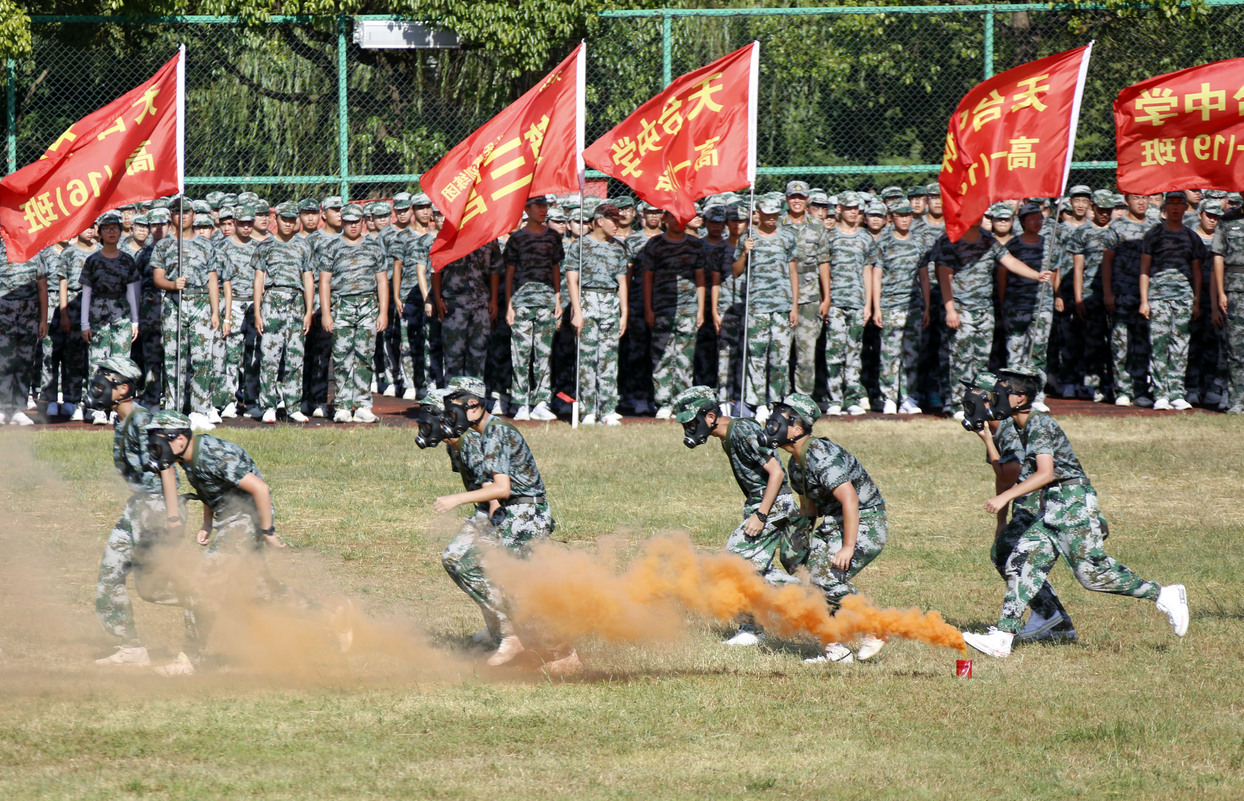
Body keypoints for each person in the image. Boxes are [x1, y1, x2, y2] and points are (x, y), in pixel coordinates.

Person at [961, 369, 1189, 658]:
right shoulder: (1020, 426)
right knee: (1021, 562)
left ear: (1019, 398)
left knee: (1092, 575)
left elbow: (1045, 473)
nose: (995, 399)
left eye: (1001, 393)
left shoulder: (1039, 423)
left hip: (1073, 503)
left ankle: (1165, 594)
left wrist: (1005, 497)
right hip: (1054, 505)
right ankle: (1003, 638)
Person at [143, 410, 352, 675]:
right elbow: (210, 488)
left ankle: (189, 660)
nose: (154, 448)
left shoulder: (215, 455)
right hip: (231, 519)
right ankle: (333, 619)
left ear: (180, 439)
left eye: (159, 441)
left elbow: (260, 489)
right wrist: (208, 523)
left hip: (245, 519)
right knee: (261, 591)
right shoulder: (185, 457)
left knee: (205, 582)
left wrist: (268, 532)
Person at [434, 377, 575, 672]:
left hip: (526, 515)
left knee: (520, 588)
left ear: (473, 406)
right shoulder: (485, 433)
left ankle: (564, 655)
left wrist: (455, 499)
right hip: (513, 514)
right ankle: (514, 636)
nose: (449, 416)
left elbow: (502, 488)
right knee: (465, 563)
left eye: (453, 410)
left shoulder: (495, 432)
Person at [673, 386, 807, 645]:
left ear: (709, 418)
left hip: (773, 506)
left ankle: (755, 626)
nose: (689, 428)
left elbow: (777, 474)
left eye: (691, 422)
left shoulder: (742, 431)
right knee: (756, 571)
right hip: (762, 505)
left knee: (731, 564)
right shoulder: (727, 436)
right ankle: (803, 597)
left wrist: (760, 514)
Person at [760, 392, 887, 664]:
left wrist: (848, 547)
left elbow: (850, 499)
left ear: (797, 428)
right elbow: (809, 509)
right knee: (809, 577)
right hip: (834, 523)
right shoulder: (796, 464)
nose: (772, 423)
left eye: (781, 418)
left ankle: (873, 628)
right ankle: (835, 649)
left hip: (865, 521)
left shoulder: (821, 454)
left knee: (825, 580)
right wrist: (795, 545)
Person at [88, 356, 195, 667]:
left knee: (156, 588)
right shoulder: (120, 419)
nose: (98, 385)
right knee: (109, 578)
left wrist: (173, 517)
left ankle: (217, 605)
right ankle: (131, 648)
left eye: (106, 380)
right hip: (137, 507)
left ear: (123, 388)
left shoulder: (142, 420)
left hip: (159, 509)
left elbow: (167, 469)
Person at [961, 371, 1076, 643]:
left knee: (1015, 559)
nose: (973, 398)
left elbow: (1007, 475)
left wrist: (987, 441)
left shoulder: (1010, 430)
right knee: (1006, 553)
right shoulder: (1003, 427)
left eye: (981, 393)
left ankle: (1047, 618)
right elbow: (1002, 480)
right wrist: (1001, 521)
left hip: (1040, 503)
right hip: (1026, 501)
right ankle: (1053, 619)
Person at [935, 219, 1053, 419]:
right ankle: (958, 403)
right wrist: (950, 309)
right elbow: (944, 275)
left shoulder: (989, 240)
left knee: (981, 360)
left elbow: (1010, 261)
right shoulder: (950, 242)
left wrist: (1036, 275)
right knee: (961, 359)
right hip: (962, 308)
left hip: (984, 310)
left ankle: (977, 402)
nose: (978, 217)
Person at [416, 383, 500, 645]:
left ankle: (508, 629)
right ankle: (497, 625)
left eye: (430, 411)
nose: (424, 419)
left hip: (502, 513)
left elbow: (495, 492)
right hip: (485, 510)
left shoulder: (471, 442)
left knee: (477, 565)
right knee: (455, 560)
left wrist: (494, 537)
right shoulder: (453, 442)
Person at [151, 203, 219, 428]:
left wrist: (216, 312)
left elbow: (213, 280)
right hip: (174, 304)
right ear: (171, 215)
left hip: (200, 302)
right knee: (173, 358)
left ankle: (200, 410)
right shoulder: (164, 245)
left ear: (194, 215)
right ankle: (174, 409)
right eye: (177, 212)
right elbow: (157, 277)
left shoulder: (206, 245)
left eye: (186, 212)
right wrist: (172, 284)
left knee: (202, 357)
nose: (182, 216)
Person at [320, 203, 389, 423]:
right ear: (343, 223)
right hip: (342, 306)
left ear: (362, 222)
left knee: (364, 356)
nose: (352, 226)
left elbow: (381, 280)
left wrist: (383, 312)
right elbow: (324, 281)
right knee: (341, 357)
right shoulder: (332, 247)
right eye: (348, 222)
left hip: (368, 306)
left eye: (356, 222)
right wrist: (326, 313)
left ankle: (362, 404)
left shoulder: (374, 247)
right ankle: (341, 404)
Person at [733, 195, 799, 418]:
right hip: (757, 306)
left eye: (774, 215)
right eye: (767, 215)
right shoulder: (749, 237)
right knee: (757, 355)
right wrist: (744, 252)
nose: (771, 219)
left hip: (781, 305)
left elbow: (793, 271)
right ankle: (758, 402)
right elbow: (736, 271)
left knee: (780, 357)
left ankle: (777, 401)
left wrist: (794, 306)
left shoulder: (788, 238)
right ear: (758, 214)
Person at [638, 210, 707, 419]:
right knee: (662, 357)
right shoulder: (655, 245)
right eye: (674, 218)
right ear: (665, 219)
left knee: (685, 359)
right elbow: (647, 277)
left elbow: (700, 279)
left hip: (688, 309)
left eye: (682, 218)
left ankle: (684, 402)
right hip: (662, 309)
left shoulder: (695, 245)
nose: (679, 222)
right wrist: (648, 308)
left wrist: (700, 309)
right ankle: (664, 402)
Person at [565, 203, 629, 425]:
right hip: (587, 300)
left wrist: (624, 312)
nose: (617, 225)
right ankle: (587, 410)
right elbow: (572, 280)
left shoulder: (619, 248)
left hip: (610, 303)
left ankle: (608, 409)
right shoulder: (580, 246)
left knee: (609, 359)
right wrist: (577, 311)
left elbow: (622, 282)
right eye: (614, 221)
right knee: (587, 359)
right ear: (600, 221)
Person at [253, 202, 316, 423]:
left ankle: (292, 405)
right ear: (275, 219)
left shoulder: (304, 246)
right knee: (270, 356)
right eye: (284, 219)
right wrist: (258, 312)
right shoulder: (265, 246)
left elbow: (308, 278)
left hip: (296, 302)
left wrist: (309, 311)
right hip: (272, 300)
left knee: (295, 356)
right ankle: (268, 405)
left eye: (292, 219)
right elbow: (259, 279)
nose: (288, 223)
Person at [1139, 191, 1202, 411]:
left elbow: (1196, 271)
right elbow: (1144, 268)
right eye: (1171, 204)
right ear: (1164, 208)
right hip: (1158, 297)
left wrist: (1196, 301)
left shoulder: (1191, 236)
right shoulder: (1154, 235)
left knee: (1181, 345)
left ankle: (1176, 392)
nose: (1176, 208)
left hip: (1184, 297)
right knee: (1158, 344)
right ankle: (1160, 394)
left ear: (1186, 208)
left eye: (1180, 204)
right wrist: (1144, 300)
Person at [503, 196, 563, 421]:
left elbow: (556, 268)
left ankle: (540, 402)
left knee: (544, 355)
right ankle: (521, 403)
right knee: (520, 355)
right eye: (538, 206)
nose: (543, 210)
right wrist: (509, 305)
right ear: (526, 209)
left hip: (546, 303)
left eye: (545, 206)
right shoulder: (516, 239)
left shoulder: (553, 237)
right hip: (521, 304)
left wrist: (557, 299)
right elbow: (509, 272)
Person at [79, 212, 141, 425]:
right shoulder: (93, 260)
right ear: (100, 233)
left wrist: (135, 321)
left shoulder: (127, 260)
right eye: (107, 228)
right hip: (98, 314)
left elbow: (132, 292)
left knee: (121, 363)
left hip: (121, 315)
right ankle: (97, 408)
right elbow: (86, 292)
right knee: (97, 361)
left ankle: (117, 408)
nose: (112, 232)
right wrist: (84, 323)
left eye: (115, 228)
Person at [873, 201, 930, 415]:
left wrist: (926, 306)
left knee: (911, 354)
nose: (905, 218)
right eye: (900, 215)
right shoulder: (884, 242)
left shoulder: (919, 242)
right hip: (890, 305)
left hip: (913, 305)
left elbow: (923, 276)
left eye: (908, 215)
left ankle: (908, 397)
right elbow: (877, 275)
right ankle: (889, 397)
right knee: (889, 353)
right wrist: (876, 307)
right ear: (892, 217)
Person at [822, 192, 876, 416]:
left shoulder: (865, 238)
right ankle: (834, 399)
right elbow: (823, 268)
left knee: (854, 353)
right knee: (833, 352)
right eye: (849, 207)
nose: (854, 211)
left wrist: (868, 305)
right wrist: (826, 299)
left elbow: (868, 271)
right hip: (835, 302)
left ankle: (852, 398)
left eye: (857, 208)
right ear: (839, 210)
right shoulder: (829, 236)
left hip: (856, 302)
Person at [1101, 193, 1155, 407]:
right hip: (1122, 293)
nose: (1141, 202)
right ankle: (1122, 388)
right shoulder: (1117, 228)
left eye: (1145, 198)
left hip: (1147, 295)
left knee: (1142, 343)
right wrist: (1108, 292)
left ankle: (1140, 388)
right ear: (1127, 201)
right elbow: (1106, 262)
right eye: (1136, 198)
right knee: (1120, 343)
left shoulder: (1155, 228)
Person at [780, 181, 831, 399]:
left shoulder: (817, 226)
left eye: (801, 198)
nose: (797, 201)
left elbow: (824, 262)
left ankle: (803, 400)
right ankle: (779, 399)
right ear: (786, 200)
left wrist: (826, 297)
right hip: (782, 297)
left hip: (810, 298)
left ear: (807, 200)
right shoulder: (777, 224)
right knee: (780, 353)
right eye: (793, 197)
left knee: (806, 354)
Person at [211, 205, 260, 421]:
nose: (246, 227)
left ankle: (251, 400)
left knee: (253, 355)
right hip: (231, 304)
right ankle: (229, 400)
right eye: (242, 223)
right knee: (230, 354)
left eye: (250, 223)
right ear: (235, 223)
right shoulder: (222, 247)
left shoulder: (260, 247)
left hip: (254, 304)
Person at [1066, 191, 1116, 403]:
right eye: (1100, 209)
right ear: (1092, 208)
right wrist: (1078, 298)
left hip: (1118, 293)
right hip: (1090, 294)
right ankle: (1092, 384)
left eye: (1108, 210)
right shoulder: (1082, 233)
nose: (1104, 214)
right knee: (1092, 341)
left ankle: (1112, 384)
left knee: (1115, 342)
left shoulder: (1117, 231)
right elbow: (1078, 269)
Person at [0, 239, 48, 426]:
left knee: (25, 361)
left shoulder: (35, 253)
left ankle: (19, 408)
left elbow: (42, 288)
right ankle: (3, 407)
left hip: (29, 316)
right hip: (4, 316)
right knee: (4, 361)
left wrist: (43, 320)